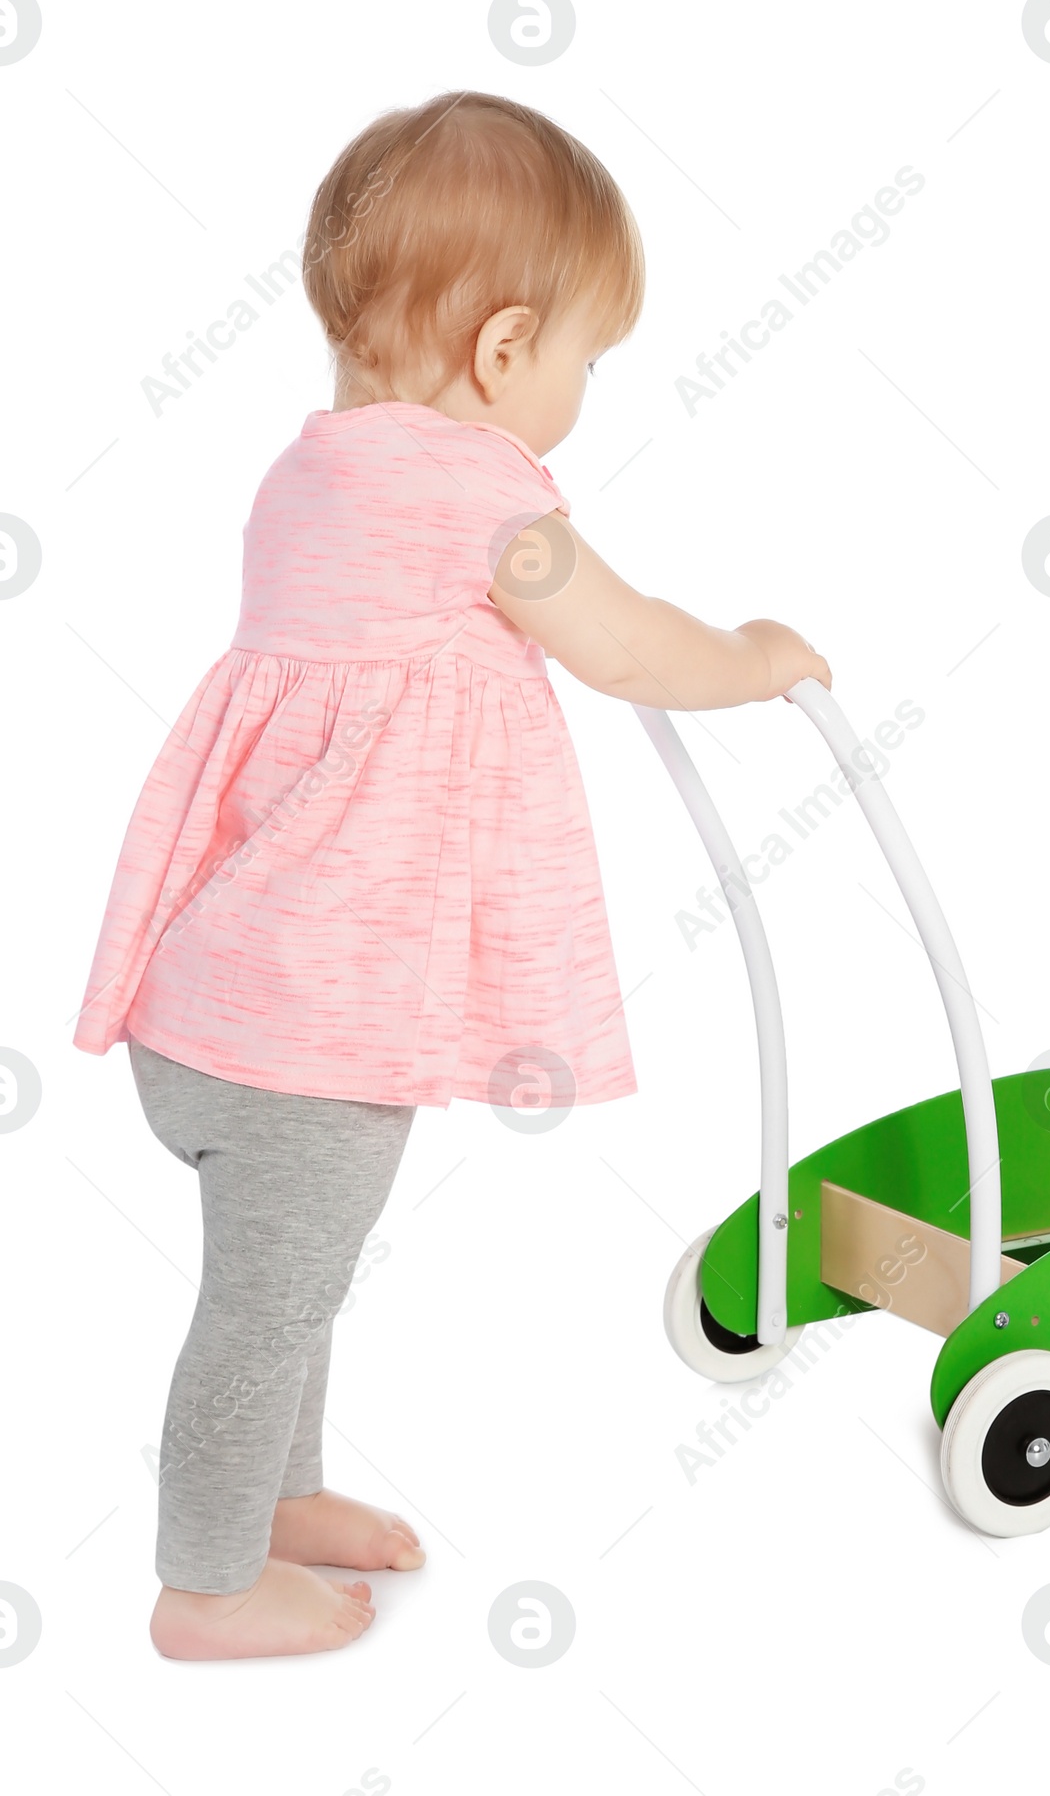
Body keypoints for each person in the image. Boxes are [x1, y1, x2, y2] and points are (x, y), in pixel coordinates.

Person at [73, 91, 830, 1659]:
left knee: (298, 1280)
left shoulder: (317, 474)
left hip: (229, 994)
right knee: (267, 1304)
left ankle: (274, 1505)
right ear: (502, 354)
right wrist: (750, 655)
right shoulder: (482, 498)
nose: (578, 396)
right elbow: (620, 643)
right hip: (294, 1029)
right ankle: (203, 1586)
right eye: (583, 363)